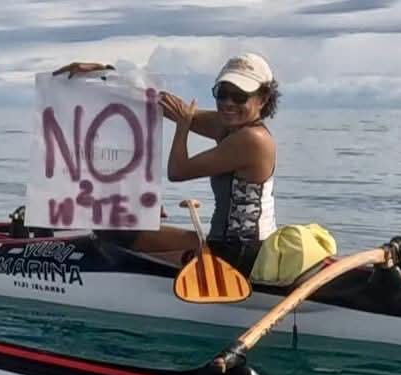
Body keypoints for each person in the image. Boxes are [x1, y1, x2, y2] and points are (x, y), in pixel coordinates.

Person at [55, 53, 279, 262]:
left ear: (262, 98)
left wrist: (183, 129)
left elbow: (178, 171)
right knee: (120, 230)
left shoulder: (252, 140)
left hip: (240, 256)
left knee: (118, 243)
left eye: (240, 96)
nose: (229, 103)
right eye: (223, 93)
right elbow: (165, 105)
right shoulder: (233, 125)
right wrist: (104, 75)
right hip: (222, 243)